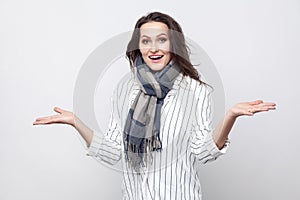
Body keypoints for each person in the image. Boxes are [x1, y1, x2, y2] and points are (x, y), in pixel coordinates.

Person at [33, 12, 276, 200]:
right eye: (146, 41)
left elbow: (203, 152)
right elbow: (113, 151)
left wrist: (230, 117)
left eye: (162, 40)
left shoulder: (195, 91)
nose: (154, 48)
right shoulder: (126, 90)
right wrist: (76, 122)